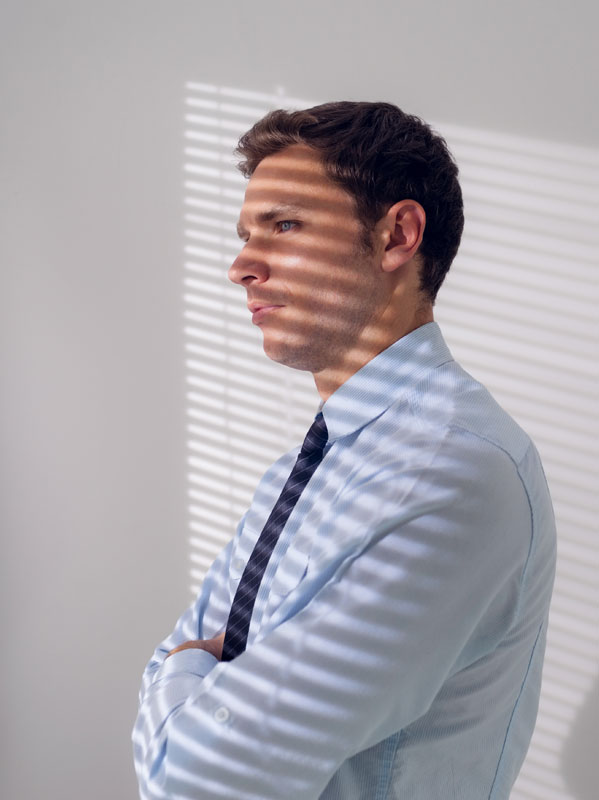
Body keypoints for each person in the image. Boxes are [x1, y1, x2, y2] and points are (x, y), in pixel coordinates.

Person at [132, 101, 556, 799]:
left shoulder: (449, 474)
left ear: (396, 236)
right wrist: (186, 681)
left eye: (285, 225)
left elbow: (199, 777)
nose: (240, 267)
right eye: (245, 235)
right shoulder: (310, 467)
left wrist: (183, 673)